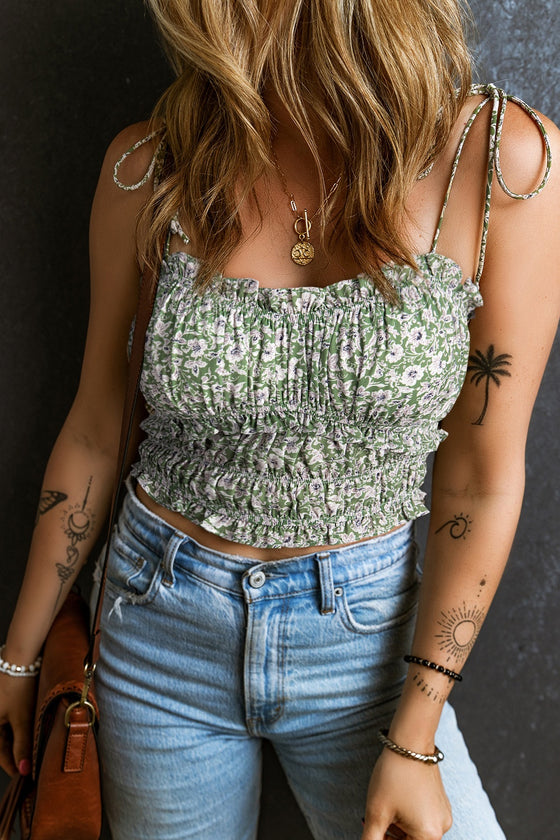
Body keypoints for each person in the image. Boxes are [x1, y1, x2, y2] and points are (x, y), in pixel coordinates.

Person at [1, 1, 559, 838]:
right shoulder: (149, 167)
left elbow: (483, 474)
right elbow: (94, 426)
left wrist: (414, 735)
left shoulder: (501, 162)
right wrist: (17, 656)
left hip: (368, 644)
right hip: (157, 626)